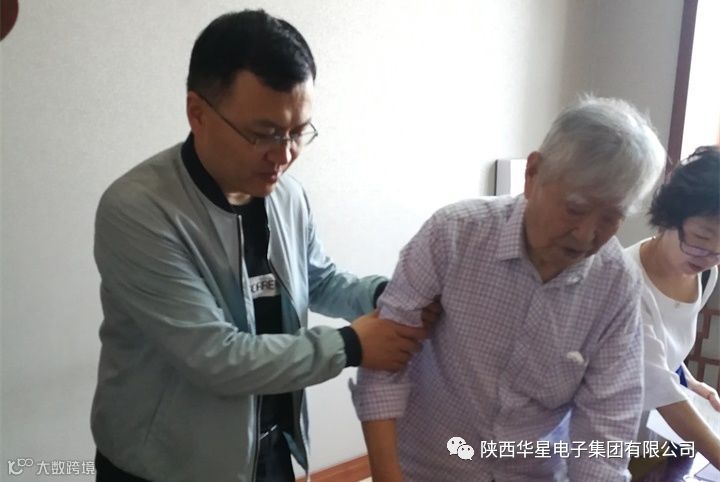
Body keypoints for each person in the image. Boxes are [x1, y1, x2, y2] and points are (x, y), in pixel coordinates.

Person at [91, 10, 435, 482]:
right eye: (264, 134)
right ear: (198, 113)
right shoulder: (139, 210)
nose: (285, 154)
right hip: (163, 467)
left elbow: (318, 279)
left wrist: (389, 295)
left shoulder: (286, 194)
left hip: (269, 449)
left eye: (298, 132)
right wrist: (351, 345)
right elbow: (215, 356)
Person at [351, 96, 667, 481]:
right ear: (532, 174)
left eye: (611, 217)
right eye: (575, 208)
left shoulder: (616, 284)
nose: (586, 235)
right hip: (426, 467)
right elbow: (384, 365)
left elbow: (606, 425)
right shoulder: (454, 234)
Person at [624, 145, 720, 469]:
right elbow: (657, 386)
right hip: (612, 431)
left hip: (659, 432)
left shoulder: (705, 273)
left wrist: (687, 381)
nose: (708, 257)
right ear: (668, 217)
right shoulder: (626, 282)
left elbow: (660, 348)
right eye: (700, 239)